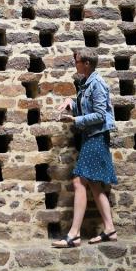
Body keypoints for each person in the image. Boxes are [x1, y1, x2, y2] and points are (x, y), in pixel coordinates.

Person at [52, 50, 118, 248]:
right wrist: (71, 102)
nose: (75, 63)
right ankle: (110, 229)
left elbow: (100, 114)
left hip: (96, 137)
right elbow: (86, 105)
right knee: (95, 185)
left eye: (77, 61)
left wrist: (74, 119)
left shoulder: (97, 84)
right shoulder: (86, 82)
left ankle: (74, 234)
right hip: (90, 136)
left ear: (87, 63)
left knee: (79, 181)